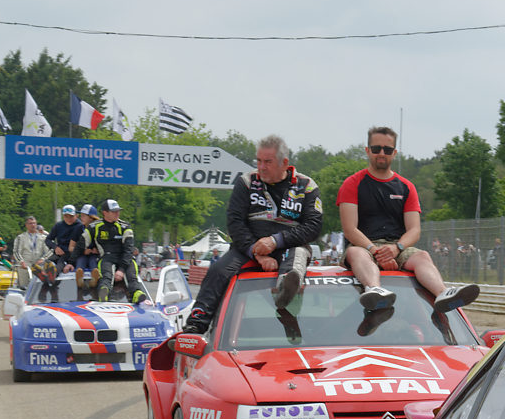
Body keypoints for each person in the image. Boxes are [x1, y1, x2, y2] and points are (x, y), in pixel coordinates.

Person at [180, 135, 323, 335]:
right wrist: (257, 253)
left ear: (284, 163)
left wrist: (276, 241)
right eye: (258, 161)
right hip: (248, 248)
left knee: (295, 262)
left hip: (290, 246)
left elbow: (314, 226)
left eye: (268, 162)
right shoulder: (246, 182)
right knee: (218, 271)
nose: (261, 167)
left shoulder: (306, 185)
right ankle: (196, 325)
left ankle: (287, 304)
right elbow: (234, 223)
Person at [336, 126, 478, 319]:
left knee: (423, 256)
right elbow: (349, 229)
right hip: (363, 247)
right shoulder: (352, 184)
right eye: (376, 148)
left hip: (397, 246)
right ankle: (375, 290)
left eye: (387, 150)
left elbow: (415, 230)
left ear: (394, 153)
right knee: (354, 252)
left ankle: (443, 293)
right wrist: (374, 250)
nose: (381, 153)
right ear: (367, 150)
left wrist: (396, 248)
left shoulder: (406, 187)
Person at [91, 199, 144, 302]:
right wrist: (70, 261)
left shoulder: (125, 226)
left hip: (126, 259)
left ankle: (138, 294)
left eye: (118, 210)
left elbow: (129, 250)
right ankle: (103, 292)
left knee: (132, 276)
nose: (117, 213)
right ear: (105, 212)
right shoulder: (95, 227)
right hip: (107, 259)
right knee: (106, 276)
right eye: (114, 211)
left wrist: (121, 270)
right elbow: (81, 244)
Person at [45, 205, 86, 294]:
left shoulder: (80, 226)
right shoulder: (58, 225)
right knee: (47, 262)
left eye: (71, 216)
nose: (68, 219)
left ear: (76, 215)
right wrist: (55, 247)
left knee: (60, 264)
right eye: (66, 216)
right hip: (60, 252)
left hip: (72, 254)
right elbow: (48, 239)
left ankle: (53, 277)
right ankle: (44, 275)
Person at [12, 216, 51, 296]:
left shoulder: (43, 237)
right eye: (30, 223)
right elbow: (16, 252)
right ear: (26, 225)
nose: (33, 225)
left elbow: (50, 251)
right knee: (24, 289)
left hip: (38, 265)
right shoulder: (20, 237)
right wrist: (21, 262)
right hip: (25, 266)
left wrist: (43, 259)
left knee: (39, 288)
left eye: (34, 223)